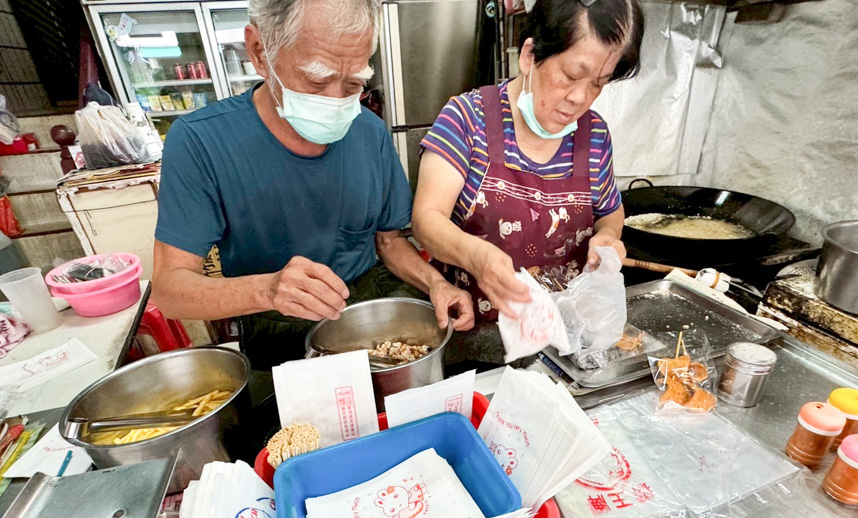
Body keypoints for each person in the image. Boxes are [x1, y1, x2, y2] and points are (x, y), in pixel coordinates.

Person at [152, 0, 472, 371]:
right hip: (274, 321)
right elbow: (170, 290)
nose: (336, 102)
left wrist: (435, 283)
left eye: (354, 83)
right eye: (316, 81)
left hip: (373, 306)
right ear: (259, 52)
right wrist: (268, 289)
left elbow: (389, 240)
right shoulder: (200, 142)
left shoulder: (368, 132)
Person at [412, 0, 643, 364]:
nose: (579, 98)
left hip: (563, 341)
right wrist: (476, 256)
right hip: (475, 343)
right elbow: (426, 220)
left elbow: (610, 212)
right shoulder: (466, 119)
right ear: (530, 55)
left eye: (597, 84)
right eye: (569, 76)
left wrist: (608, 237)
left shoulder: (594, 134)